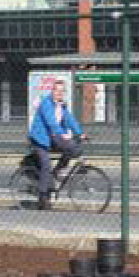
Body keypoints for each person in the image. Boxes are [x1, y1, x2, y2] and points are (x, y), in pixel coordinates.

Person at [27, 78, 83, 210]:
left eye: (62, 91)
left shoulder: (62, 105)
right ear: (52, 91)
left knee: (73, 149)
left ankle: (56, 172)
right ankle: (42, 197)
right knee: (46, 164)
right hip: (40, 140)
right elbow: (51, 122)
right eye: (56, 90)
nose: (59, 93)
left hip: (51, 138)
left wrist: (80, 133)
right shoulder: (46, 103)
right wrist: (62, 134)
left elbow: (70, 119)